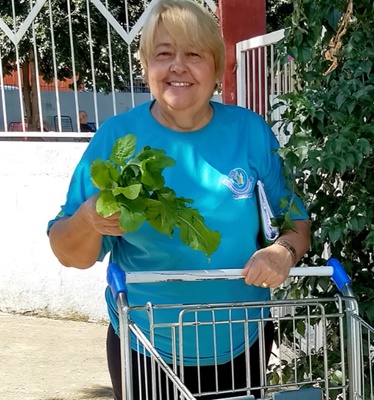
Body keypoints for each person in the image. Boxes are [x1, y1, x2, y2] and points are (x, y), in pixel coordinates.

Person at [47, 0, 310, 398]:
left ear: (217, 68)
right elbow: (71, 254)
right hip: (145, 343)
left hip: (243, 337)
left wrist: (282, 252)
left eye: (193, 54)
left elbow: (297, 225)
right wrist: (88, 219)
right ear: (146, 65)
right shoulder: (117, 139)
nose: (177, 67)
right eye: (163, 54)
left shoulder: (250, 133)